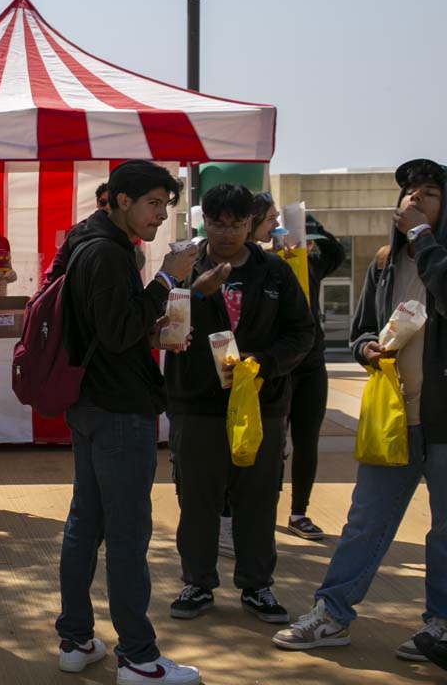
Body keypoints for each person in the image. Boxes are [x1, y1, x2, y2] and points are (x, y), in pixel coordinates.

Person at [273, 158, 447, 663]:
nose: (414, 200)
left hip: (443, 421)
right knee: (365, 520)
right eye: (409, 192)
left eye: (429, 193)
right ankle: (332, 613)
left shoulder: (435, 254)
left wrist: (424, 238)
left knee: (444, 529)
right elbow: (362, 329)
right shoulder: (385, 260)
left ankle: (439, 625)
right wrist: (368, 348)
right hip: (393, 415)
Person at [55, 160, 202, 684]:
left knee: (84, 526)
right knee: (125, 535)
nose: (162, 215)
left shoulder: (83, 243)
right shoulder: (108, 252)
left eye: (166, 204)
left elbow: (109, 326)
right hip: (118, 411)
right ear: (121, 201)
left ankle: (74, 638)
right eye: (153, 203)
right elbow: (117, 332)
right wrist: (167, 279)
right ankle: (139, 657)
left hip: (92, 405)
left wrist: (151, 318)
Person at [164, 184, 315, 626]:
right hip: (196, 402)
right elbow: (161, 323)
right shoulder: (183, 266)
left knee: (258, 496)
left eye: (238, 224)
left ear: (252, 224)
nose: (227, 233)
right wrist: (195, 294)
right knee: (197, 496)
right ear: (203, 222)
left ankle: (257, 584)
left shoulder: (274, 272)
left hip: (262, 403)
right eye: (218, 223)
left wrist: (263, 363)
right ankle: (197, 581)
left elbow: (302, 334)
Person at [251, 193, 347, 540]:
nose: (277, 226)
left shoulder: (306, 261)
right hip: (275, 365)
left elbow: (336, 254)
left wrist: (307, 225)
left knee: (307, 439)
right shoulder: (258, 263)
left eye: (281, 219)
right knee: (271, 441)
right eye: (271, 219)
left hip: (310, 363)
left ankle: (299, 512)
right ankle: (264, 507)